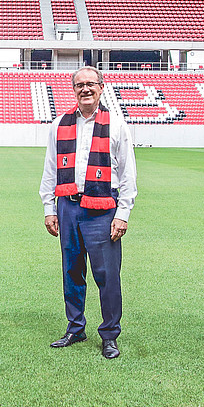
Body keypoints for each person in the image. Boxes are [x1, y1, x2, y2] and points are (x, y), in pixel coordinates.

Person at [39, 66, 137, 359]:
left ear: (101, 87)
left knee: (107, 275)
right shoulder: (59, 125)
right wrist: (49, 208)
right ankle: (75, 327)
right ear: (73, 89)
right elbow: (51, 169)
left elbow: (128, 173)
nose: (85, 89)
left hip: (103, 208)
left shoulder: (117, 126)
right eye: (79, 84)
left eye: (90, 84)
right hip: (68, 206)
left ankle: (109, 334)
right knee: (71, 271)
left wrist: (123, 214)